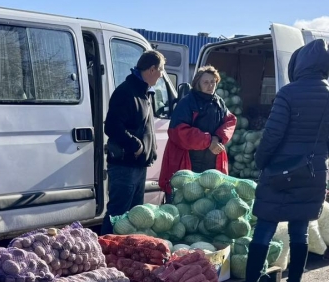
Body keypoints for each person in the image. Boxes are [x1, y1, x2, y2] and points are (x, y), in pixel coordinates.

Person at [237, 39, 329, 282]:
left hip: (279, 170)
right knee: (300, 231)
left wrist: (262, 160)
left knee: (264, 229)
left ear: (300, 63)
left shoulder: (288, 93)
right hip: (312, 173)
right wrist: (318, 154)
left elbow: (273, 134)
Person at [101, 50, 165, 234]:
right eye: (161, 71)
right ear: (152, 69)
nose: (161, 76)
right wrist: (135, 145)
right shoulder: (126, 92)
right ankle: (102, 252)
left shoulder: (145, 93)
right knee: (118, 215)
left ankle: (122, 257)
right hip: (124, 166)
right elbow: (112, 127)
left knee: (133, 218)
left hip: (138, 165)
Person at [159, 66, 237, 197]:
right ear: (197, 84)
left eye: (213, 81)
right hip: (188, 162)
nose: (210, 85)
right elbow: (178, 132)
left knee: (208, 202)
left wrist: (218, 138)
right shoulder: (186, 103)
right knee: (185, 201)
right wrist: (208, 141)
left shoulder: (219, 102)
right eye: (206, 82)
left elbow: (230, 121)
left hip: (211, 162)